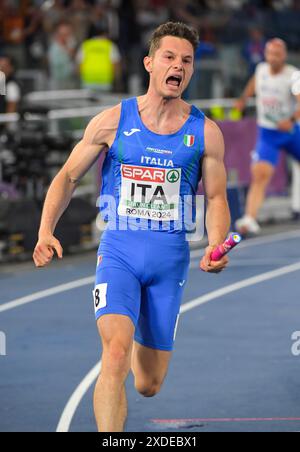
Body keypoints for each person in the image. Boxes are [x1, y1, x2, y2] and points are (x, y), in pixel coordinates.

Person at [33, 22, 230, 432]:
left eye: (187, 60)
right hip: (119, 253)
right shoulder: (111, 121)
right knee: (115, 355)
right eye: (170, 57)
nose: (178, 65)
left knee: (148, 384)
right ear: (149, 63)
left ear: (191, 70)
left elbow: (215, 198)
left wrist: (215, 245)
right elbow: (67, 177)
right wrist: (45, 230)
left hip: (169, 260)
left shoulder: (205, 132)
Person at [235, 38, 300, 235]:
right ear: (266, 54)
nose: (273, 58)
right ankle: (250, 218)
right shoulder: (261, 69)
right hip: (268, 134)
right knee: (260, 175)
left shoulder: (294, 76)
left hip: (290, 132)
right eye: (270, 53)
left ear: (284, 56)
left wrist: (290, 119)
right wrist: (243, 100)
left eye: (278, 54)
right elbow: (253, 83)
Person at [76, 21, 122, 92]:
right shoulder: (110, 46)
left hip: (88, 81)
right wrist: (117, 81)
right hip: (105, 82)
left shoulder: (85, 45)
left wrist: (80, 79)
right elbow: (116, 65)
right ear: (105, 33)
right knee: (105, 103)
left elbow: (79, 65)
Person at [48, 22, 78, 90]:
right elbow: (57, 65)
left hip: (70, 82)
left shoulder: (69, 45)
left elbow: (74, 58)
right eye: (64, 34)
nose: (68, 36)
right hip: (58, 83)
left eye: (68, 33)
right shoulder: (54, 49)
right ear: (58, 35)